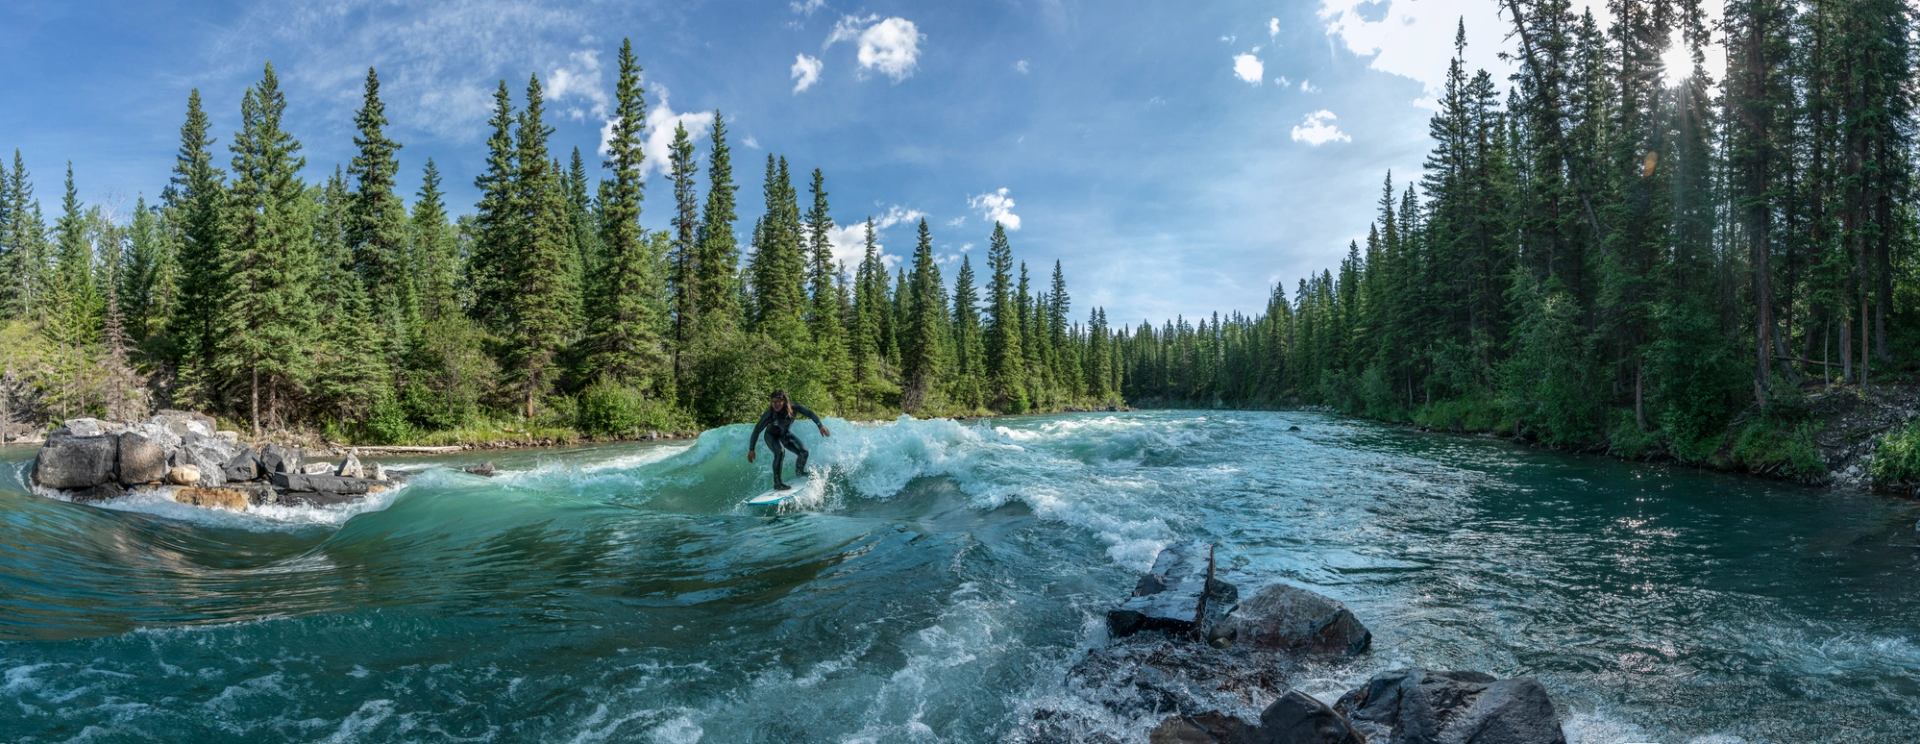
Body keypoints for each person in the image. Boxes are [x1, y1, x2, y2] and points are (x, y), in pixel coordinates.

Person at [747, 390, 830, 490]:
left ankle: (799, 472)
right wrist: (751, 449)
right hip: (771, 436)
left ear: (784, 401)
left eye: (778, 401)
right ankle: (777, 483)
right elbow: (757, 430)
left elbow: (809, 413)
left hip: (784, 434)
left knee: (803, 452)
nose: (776, 404)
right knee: (780, 452)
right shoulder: (769, 414)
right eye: (773, 402)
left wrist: (820, 426)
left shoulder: (794, 407)